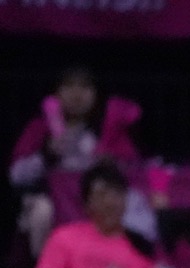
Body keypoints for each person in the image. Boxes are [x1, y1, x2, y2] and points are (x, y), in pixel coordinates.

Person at [9, 65, 141, 256]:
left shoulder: (109, 129)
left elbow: (134, 173)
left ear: (96, 94)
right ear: (56, 94)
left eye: (85, 87)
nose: (76, 94)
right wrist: (46, 155)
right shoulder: (40, 128)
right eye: (69, 86)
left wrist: (111, 166)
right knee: (41, 211)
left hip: (97, 203)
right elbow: (16, 176)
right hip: (54, 202)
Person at [27, 161, 153, 268]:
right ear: (86, 205)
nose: (110, 202)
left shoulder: (141, 246)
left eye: (116, 194)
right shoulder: (64, 238)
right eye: (101, 195)